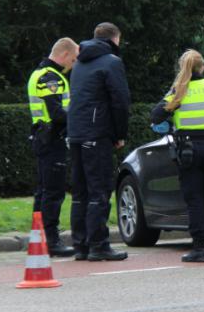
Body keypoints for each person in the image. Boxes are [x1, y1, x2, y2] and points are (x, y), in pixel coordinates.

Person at [150, 49, 204, 262]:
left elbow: (156, 114)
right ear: (203, 67)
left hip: (189, 151)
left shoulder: (178, 90)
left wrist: (172, 114)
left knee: (195, 199)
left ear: (184, 68)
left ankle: (199, 247)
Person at [67, 22, 131, 261]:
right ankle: (99, 245)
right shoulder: (112, 62)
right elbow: (120, 102)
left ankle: (80, 245)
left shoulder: (79, 62)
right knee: (100, 190)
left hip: (76, 133)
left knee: (80, 192)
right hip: (97, 133)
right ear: (115, 39)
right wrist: (119, 134)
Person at [27, 37, 79, 257]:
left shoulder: (39, 73)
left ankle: (39, 237)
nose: (74, 64)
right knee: (53, 191)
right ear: (65, 54)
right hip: (52, 139)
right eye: (74, 59)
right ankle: (52, 240)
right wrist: (79, 116)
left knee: (43, 190)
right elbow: (57, 112)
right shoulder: (50, 77)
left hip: (44, 138)